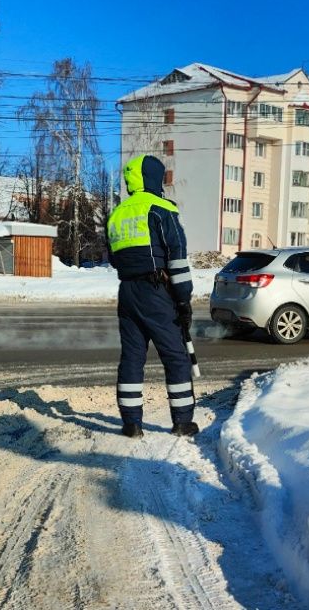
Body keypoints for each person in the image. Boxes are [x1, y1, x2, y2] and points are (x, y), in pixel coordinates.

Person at [106, 155, 198, 438]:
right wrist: (183, 300)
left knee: (132, 358)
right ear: (153, 178)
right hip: (157, 291)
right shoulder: (161, 209)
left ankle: (131, 423)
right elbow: (177, 259)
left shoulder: (118, 213)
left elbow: (113, 258)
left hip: (127, 291)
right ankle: (182, 422)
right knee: (175, 356)